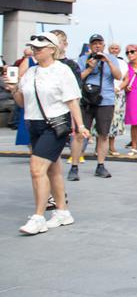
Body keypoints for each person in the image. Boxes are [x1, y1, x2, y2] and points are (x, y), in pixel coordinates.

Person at [5, 33, 88, 235]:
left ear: (52, 49)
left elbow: (72, 101)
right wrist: (14, 89)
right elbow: (23, 103)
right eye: (33, 47)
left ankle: (39, 216)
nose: (35, 50)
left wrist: (80, 126)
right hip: (34, 124)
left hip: (55, 125)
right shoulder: (30, 72)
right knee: (52, 170)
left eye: (39, 48)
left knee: (36, 169)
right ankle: (62, 212)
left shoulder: (62, 71)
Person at [68, 34, 122, 180]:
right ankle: (74, 166)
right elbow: (77, 79)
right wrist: (90, 68)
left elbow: (118, 76)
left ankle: (101, 165)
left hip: (105, 100)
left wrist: (108, 62)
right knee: (80, 134)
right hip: (87, 99)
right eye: (94, 44)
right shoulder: (82, 59)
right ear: (90, 46)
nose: (97, 46)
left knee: (103, 134)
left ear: (103, 46)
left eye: (99, 43)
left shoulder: (112, 58)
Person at [106, 43, 127, 156]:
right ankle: (98, 147)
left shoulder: (123, 62)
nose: (114, 50)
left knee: (115, 121)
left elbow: (126, 78)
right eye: (112, 48)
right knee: (102, 120)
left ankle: (111, 146)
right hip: (105, 93)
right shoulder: (104, 59)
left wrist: (119, 87)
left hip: (119, 93)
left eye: (116, 48)